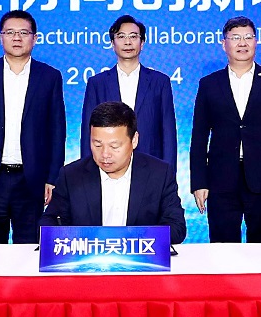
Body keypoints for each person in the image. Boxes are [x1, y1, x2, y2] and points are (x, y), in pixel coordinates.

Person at [190, 16, 261, 242]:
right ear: (224, 44)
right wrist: (199, 182)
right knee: (222, 247)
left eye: (248, 37)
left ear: (256, 41)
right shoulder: (209, 84)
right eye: (235, 38)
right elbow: (199, 137)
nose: (242, 43)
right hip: (221, 179)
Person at [0, 10, 66, 243]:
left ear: (34, 38)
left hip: (32, 180)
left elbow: (57, 132)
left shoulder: (49, 76)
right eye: (10, 32)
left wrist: (53, 178)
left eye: (23, 33)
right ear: (1, 36)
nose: (16, 38)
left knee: (29, 248)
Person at [42, 101, 189, 245]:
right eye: (97, 145)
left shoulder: (159, 174)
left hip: (139, 259)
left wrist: (131, 241)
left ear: (134, 140)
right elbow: (48, 222)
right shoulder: (71, 175)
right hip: (88, 259)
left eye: (114, 146)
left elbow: (176, 227)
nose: (105, 154)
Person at [81, 14, 178, 167]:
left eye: (133, 36)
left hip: (150, 166)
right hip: (108, 164)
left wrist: (169, 173)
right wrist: (87, 172)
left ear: (142, 43)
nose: (127, 42)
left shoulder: (160, 82)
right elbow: (88, 132)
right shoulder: (97, 83)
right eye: (121, 36)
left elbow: (168, 132)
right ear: (112, 43)